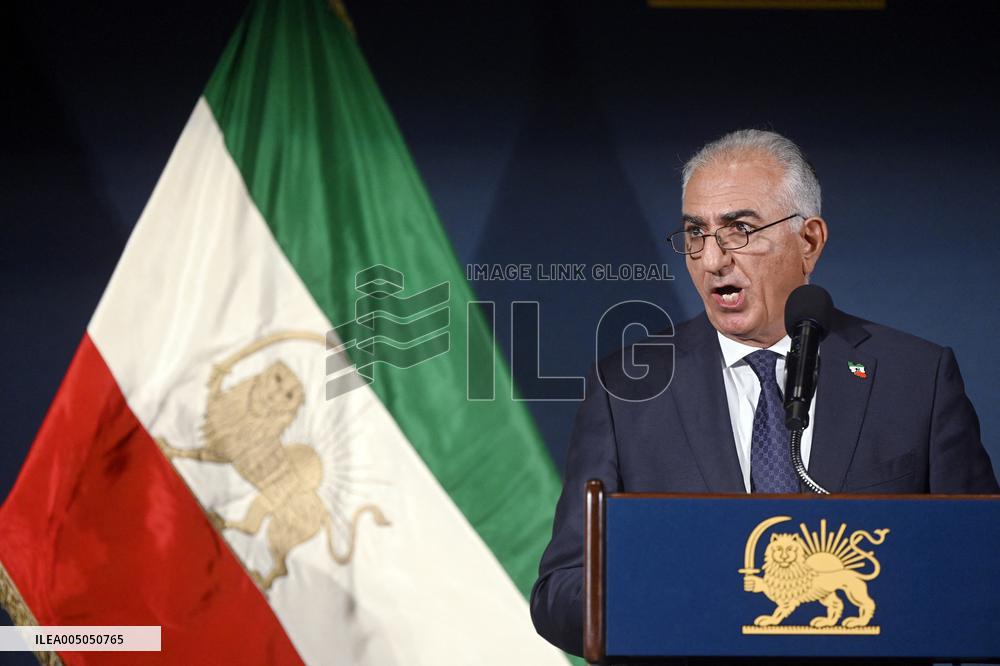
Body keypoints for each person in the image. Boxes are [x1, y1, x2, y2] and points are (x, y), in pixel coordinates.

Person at [530, 129, 999, 656]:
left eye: (739, 230)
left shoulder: (917, 378)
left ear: (810, 241)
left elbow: (982, 570)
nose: (712, 260)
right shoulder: (627, 390)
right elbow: (560, 593)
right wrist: (686, 601)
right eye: (695, 233)